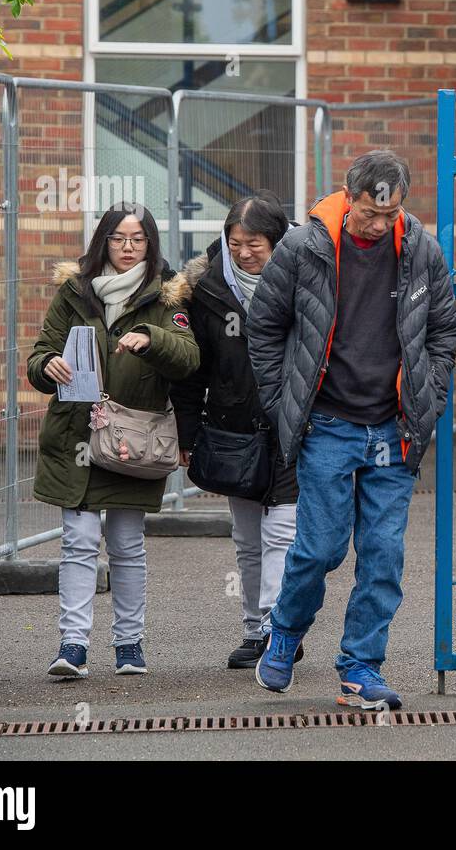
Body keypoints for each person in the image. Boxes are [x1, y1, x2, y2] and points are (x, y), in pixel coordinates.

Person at [247, 150, 456, 709]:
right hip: (329, 423)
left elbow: (444, 330)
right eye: (370, 213)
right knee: (319, 548)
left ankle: (360, 667)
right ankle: (287, 632)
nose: (379, 225)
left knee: (383, 555)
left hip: (395, 429)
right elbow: (265, 327)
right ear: (349, 199)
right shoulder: (303, 246)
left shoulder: (420, 248)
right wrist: (280, 401)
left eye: (389, 216)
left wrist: (429, 400)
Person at [27, 202, 199, 678]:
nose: (127, 247)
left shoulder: (167, 296)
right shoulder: (74, 292)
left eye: (137, 238)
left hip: (133, 442)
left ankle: (129, 646)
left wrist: (151, 338)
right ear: (102, 241)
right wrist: (47, 366)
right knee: (79, 541)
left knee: (126, 543)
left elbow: (188, 358)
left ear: (150, 243)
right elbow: (41, 352)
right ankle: (73, 646)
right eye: (118, 238)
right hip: (76, 438)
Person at [171, 191, 305, 669]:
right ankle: (254, 629)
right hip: (233, 429)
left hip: (293, 427)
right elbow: (192, 370)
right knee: (248, 539)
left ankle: (276, 627)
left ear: (278, 241)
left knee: (283, 534)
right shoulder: (206, 290)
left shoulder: (304, 281)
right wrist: (188, 433)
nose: (244, 253)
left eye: (255, 244)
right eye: (235, 243)